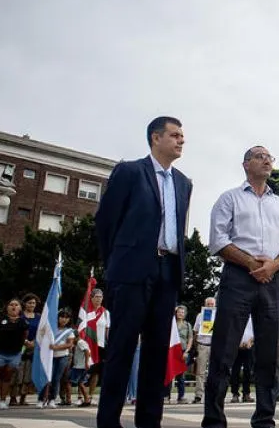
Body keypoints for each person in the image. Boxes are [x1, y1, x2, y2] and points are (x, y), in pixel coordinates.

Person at [94, 116, 192, 428]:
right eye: (175, 135)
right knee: (121, 349)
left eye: (182, 136)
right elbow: (106, 221)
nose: (181, 140)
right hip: (131, 272)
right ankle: (109, 421)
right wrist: (116, 264)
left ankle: (149, 422)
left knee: (156, 353)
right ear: (155, 138)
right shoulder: (130, 171)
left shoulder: (183, 183)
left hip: (167, 273)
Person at [202, 145, 279, 428]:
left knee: (268, 353)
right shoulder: (229, 199)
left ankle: (265, 419)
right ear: (246, 164)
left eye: (269, 157)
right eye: (259, 156)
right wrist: (251, 264)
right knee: (224, 350)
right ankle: (214, 420)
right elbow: (218, 241)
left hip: (272, 281)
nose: (266, 160)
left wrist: (272, 266)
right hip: (238, 279)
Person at [0, 298, 29, 410]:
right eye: (11, 304)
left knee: (7, 377)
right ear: (7, 307)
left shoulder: (23, 322)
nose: (14, 307)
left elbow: (24, 335)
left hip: (14, 354)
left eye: (16, 305)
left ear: (20, 308)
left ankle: (3, 400)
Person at [37, 309, 75, 409]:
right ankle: (41, 399)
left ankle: (52, 399)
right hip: (49, 357)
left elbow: (70, 344)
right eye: (62, 317)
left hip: (62, 357)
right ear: (57, 317)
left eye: (66, 318)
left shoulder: (69, 331)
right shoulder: (51, 329)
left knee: (56, 379)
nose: (64, 319)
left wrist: (56, 347)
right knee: (46, 378)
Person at [11, 293, 41, 406]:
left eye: (33, 303)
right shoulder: (19, 316)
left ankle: (23, 397)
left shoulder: (38, 317)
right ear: (24, 304)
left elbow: (41, 332)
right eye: (29, 303)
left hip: (33, 347)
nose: (32, 305)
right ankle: (13, 397)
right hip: (19, 346)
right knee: (17, 373)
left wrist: (34, 342)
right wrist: (24, 341)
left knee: (28, 374)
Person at [81, 288, 109, 407]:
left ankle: (90, 395)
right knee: (84, 370)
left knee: (96, 372)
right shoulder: (86, 312)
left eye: (100, 297)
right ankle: (80, 395)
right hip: (87, 345)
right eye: (96, 297)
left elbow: (107, 330)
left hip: (100, 345)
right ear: (91, 298)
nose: (98, 299)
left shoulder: (106, 313)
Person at [191, 297, 216, 404]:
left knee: (214, 371)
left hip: (214, 345)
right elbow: (195, 331)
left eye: (212, 304)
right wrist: (196, 346)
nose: (210, 305)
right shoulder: (200, 315)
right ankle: (198, 395)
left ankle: (213, 394)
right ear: (205, 304)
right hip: (202, 345)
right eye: (208, 304)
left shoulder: (218, 315)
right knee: (200, 372)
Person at [169, 305, 192, 404]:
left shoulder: (187, 325)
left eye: (182, 312)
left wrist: (187, 351)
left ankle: (181, 396)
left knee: (181, 376)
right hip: (172, 351)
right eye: (179, 312)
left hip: (183, 352)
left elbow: (190, 339)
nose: (181, 314)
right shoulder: (171, 324)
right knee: (169, 374)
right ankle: (166, 395)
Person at [230, 318, 254, 403]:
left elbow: (255, 332)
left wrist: (250, 342)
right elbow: (231, 331)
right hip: (236, 347)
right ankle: (235, 394)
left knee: (247, 371)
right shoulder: (236, 317)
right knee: (235, 371)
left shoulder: (252, 318)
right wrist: (237, 342)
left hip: (249, 347)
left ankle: (246, 394)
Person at [68, 329, 92, 406]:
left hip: (80, 366)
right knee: (80, 383)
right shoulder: (79, 343)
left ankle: (87, 399)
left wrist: (86, 363)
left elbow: (86, 351)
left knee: (78, 382)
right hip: (79, 365)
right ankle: (86, 399)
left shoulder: (80, 342)